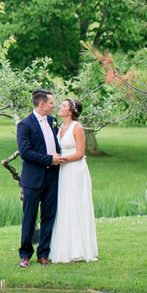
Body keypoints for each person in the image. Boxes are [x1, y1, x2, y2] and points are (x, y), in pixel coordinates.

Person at [15, 89, 61, 267]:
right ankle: (25, 255)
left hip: (52, 177)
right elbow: (26, 153)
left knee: (49, 216)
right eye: (51, 102)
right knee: (29, 217)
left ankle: (43, 254)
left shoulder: (52, 121)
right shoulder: (25, 125)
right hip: (33, 179)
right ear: (41, 104)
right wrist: (49, 159)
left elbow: (58, 144)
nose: (54, 106)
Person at [50, 97, 99, 263]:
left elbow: (79, 153)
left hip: (75, 169)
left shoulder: (77, 127)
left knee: (76, 205)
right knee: (65, 206)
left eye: (63, 106)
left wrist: (64, 159)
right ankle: (66, 248)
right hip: (63, 170)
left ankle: (79, 249)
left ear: (70, 111)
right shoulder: (60, 126)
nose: (59, 107)